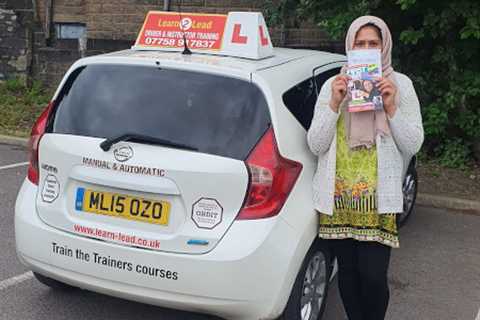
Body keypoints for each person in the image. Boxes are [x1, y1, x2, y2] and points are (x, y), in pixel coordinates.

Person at [307, 16, 424, 320]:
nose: (367, 49)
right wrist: (334, 103)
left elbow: (413, 143)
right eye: (361, 43)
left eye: (374, 43)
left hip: (377, 200)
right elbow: (316, 144)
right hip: (339, 197)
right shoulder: (335, 86)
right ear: (350, 46)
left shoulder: (401, 86)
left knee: (373, 277)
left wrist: (392, 108)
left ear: (384, 46)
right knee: (347, 273)